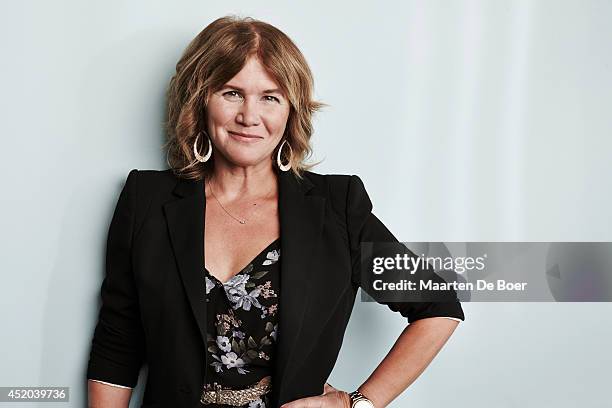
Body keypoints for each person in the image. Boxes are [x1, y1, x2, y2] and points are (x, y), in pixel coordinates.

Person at [86, 15, 465, 408]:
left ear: (290, 111)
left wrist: (357, 403)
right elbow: (118, 342)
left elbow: (437, 306)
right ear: (200, 100)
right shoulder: (146, 199)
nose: (249, 116)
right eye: (231, 92)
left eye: (270, 97)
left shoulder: (338, 208)